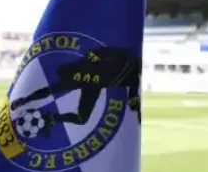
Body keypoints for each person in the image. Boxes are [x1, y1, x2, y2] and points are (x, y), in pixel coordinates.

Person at [10, 47, 142, 135]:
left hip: (94, 86)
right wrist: (93, 59)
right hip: (83, 73)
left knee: (81, 118)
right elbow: (97, 51)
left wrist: (135, 108)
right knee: (54, 89)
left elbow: (133, 99)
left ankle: (52, 118)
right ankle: (24, 100)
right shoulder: (124, 56)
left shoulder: (132, 78)